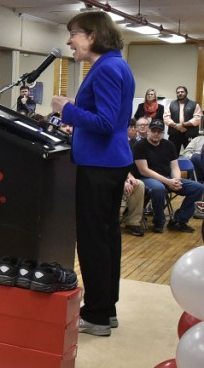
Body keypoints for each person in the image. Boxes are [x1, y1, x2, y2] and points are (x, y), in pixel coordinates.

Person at [49, 11, 135, 337]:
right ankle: (105, 308)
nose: (69, 40)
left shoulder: (107, 68)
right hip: (109, 162)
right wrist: (75, 107)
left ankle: (97, 315)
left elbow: (105, 122)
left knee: (93, 241)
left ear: (93, 36)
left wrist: (66, 109)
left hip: (100, 165)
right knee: (106, 238)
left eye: (74, 33)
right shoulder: (114, 64)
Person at [133, 119, 204, 233]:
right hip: (148, 179)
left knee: (198, 188)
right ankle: (159, 221)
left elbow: (175, 166)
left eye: (159, 132)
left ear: (163, 133)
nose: (156, 134)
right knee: (159, 188)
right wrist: (168, 181)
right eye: (153, 131)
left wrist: (177, 179)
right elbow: (144, 170)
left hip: (168, 178)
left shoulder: (169, 145)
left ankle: (179, 220)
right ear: (148, 131)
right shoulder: (139, 146)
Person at [163, 86, 203, 151]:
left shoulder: (194, 104)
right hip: (174, 135)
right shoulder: (171, 104)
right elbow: (166, 118)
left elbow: (197, 118)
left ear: (186, 93)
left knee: (190, 154)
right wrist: (176, 125)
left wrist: (183, 124)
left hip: (190, 134)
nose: (180, 93)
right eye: (178, 92)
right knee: (173, 155)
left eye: (182, 92)